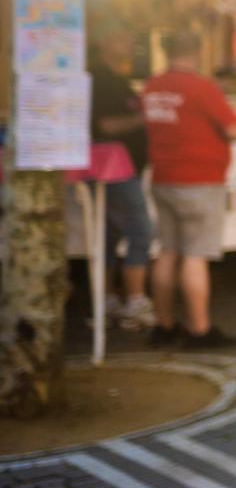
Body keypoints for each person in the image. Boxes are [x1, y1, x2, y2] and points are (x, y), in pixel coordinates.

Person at [143, 31, 236, 348]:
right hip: (199, 180)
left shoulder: (152, 86)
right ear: (198, 52)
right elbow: (234, 129)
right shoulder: (202, 88)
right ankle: (199, 330)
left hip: (163, 176)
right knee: (195, 255)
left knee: (167, 251)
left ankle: (163, 325)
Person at [88, 23, 155, 330]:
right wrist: (145, 118)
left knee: (109, 236)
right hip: (112, 173)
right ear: (104, 42)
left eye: (131, 37)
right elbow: (106, 126)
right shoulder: (102, 80)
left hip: (117, 172)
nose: (130, 42)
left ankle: (107, 302)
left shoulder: (115, 79)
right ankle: (135, 302)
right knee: (140, 231)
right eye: (123, 36)